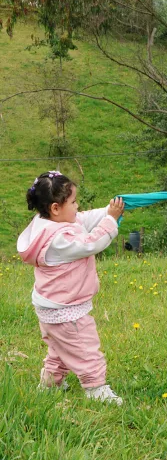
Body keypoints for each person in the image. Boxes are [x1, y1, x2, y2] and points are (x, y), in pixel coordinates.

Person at [17, 171, 125, 405]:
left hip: (50, 307)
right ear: (56, 208)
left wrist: (108, 211)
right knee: (85, 347)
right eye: (74, 202)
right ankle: (95, 388)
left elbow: (82, 219)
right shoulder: (58, 240)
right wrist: (111, 221)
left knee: (59, 348)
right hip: (66, 310)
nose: (77, 207)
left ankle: (49, 383)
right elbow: (91, 243)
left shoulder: (45, 222)